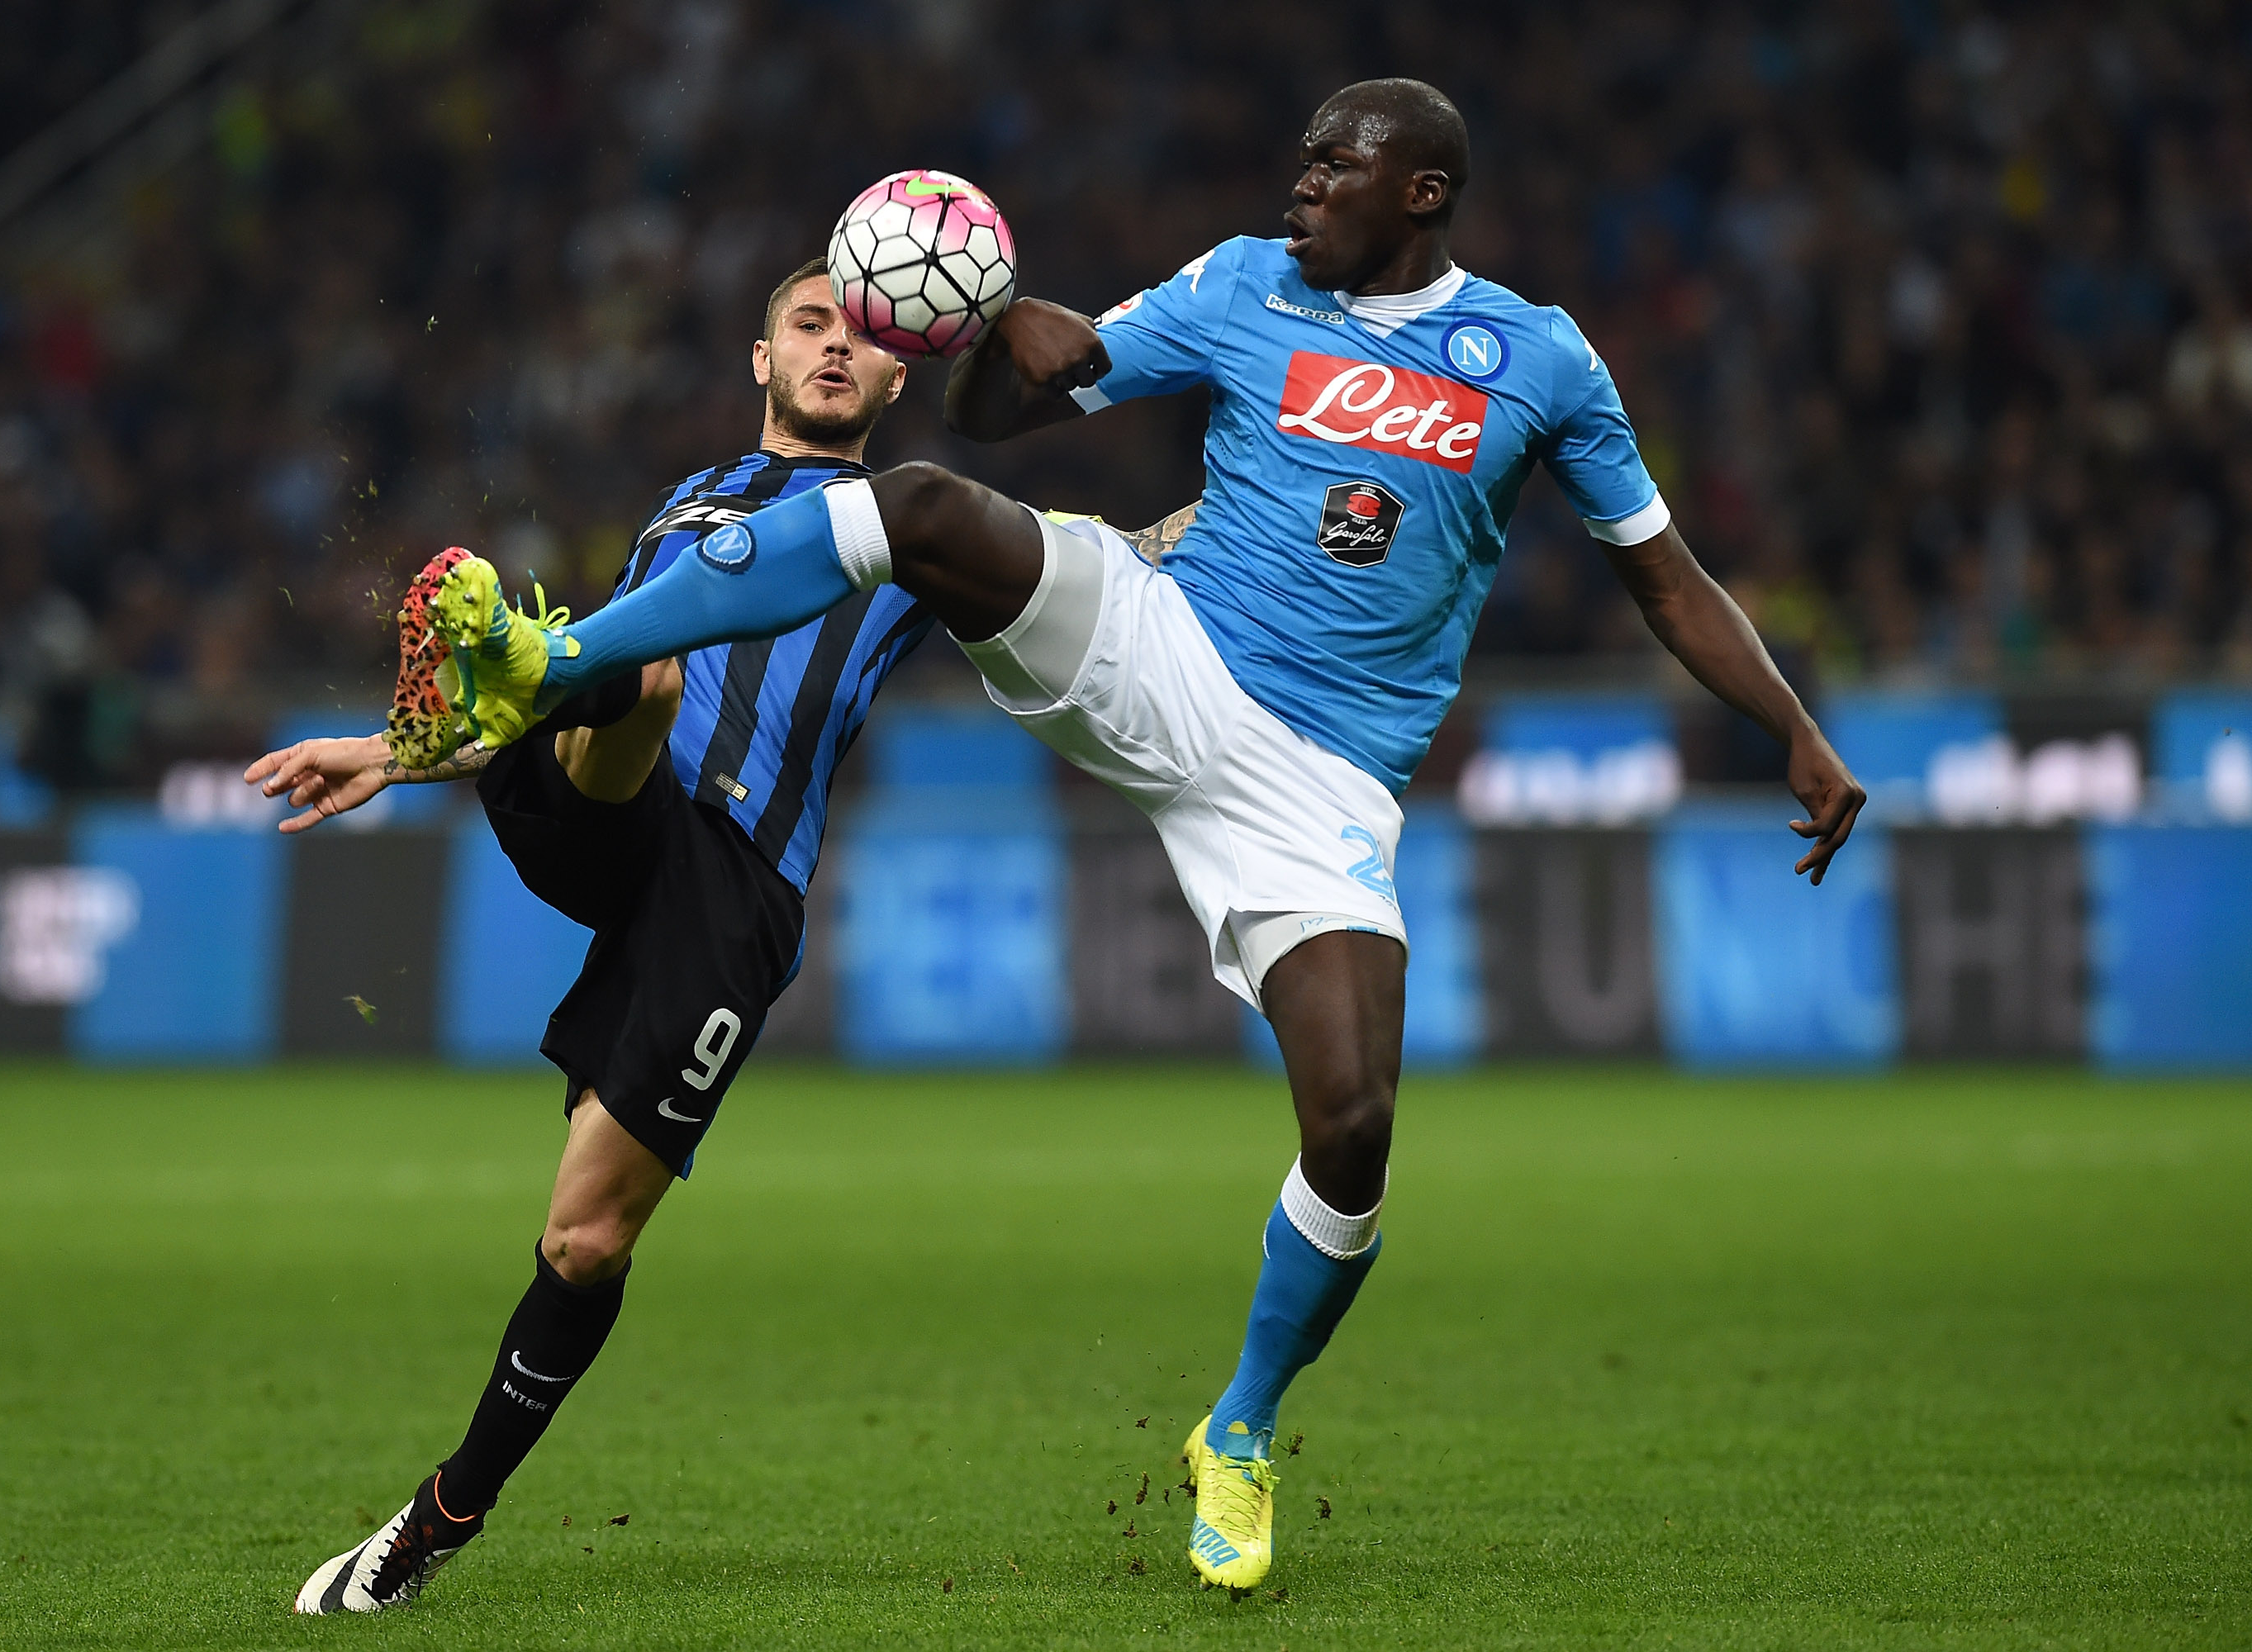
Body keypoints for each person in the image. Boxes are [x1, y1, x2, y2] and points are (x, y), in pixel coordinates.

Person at [406, 79, 1867, 1593]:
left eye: (1335, 165)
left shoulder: (1540, 360)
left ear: (1420, 193)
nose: (1301, 184)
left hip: (1321, 783)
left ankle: (1236, 1429)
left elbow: (1667, 577)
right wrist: (987, 345)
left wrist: (1796, 727)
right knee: (919, 504)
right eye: (1299, 159)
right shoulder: (1240, 285)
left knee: (1354, 1127)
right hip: (1160, 637)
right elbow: (1011, 409)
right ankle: (558, 658)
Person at [245, 259, 937, 1615]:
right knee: (632, 668)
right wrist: (393, 756)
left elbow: (1106, 572)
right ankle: (521, 659)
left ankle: (442, 1514)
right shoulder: (686, 507)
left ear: (903, 370)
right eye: (809, 325)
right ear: (760, 359)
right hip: (602, 808)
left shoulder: (919, 526)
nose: (835, 348)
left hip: (729, 882)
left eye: (862, 335)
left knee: (583, 1245)